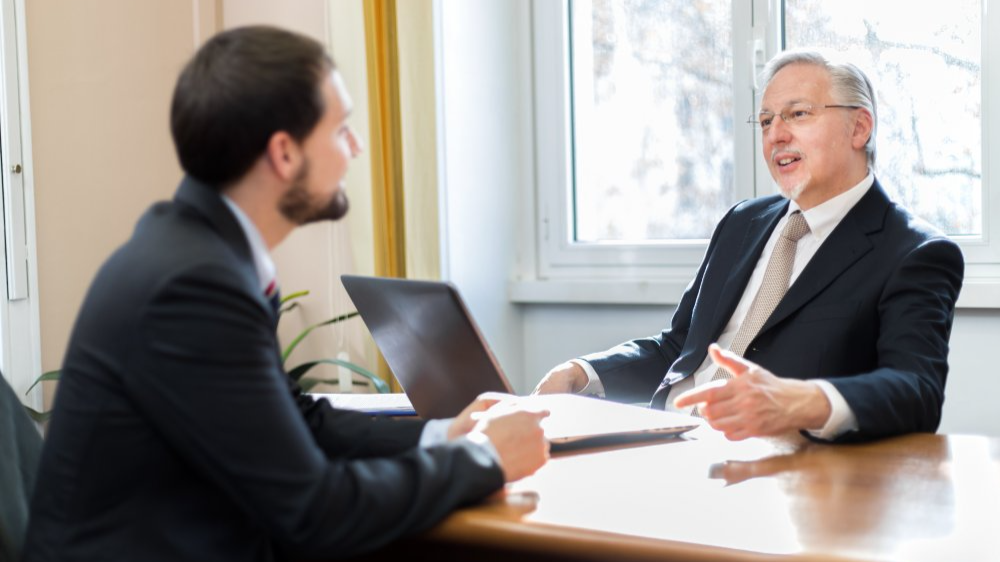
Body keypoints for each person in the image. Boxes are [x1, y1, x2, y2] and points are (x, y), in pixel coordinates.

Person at [23, 26, 549, 562]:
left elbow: (296, 421)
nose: (357, 147)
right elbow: (313, 512)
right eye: (341, 129)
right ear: (284, 153)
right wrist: (483, 458)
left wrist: (443, 436)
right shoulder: (193, 285)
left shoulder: (199, 250)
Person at [534, 48, 963, 444]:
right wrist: (581, 374)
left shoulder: (915, 252)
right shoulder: (743, 222)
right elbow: (679, 348)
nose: (775, 134)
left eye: (797, 114)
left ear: (859, 127)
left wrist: (803, 401)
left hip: (772, 471)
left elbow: (916, 390)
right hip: (664, 441)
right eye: (765, 121)